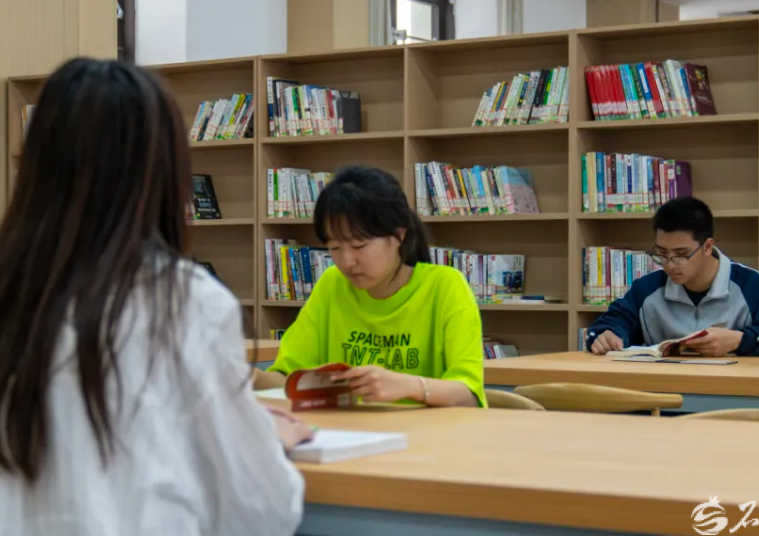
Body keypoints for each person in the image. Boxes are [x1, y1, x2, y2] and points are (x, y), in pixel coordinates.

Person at [0, 58, 309, 536]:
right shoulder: (185, 302)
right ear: (164, 172)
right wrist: (264, 440)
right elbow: (258, 509)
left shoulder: (14, 291)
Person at [255, 165, 487, 408]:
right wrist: (247, 375)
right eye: (334, 248)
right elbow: (286, 379)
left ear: (398, 235)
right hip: (345, 429)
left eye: (359, 246)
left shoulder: (445, 286)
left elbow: (469, 396)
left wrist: (408, 386)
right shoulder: (332, 285)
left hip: (427, 430)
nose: (347, 261)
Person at [587, 197, 759, 357]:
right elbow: (605, 326)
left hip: (734, 391)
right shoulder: (647, 288)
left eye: (681, 254)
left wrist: (740, 341)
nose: (670, 264)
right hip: (664, 391)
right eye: (662, 253)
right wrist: (608, 336)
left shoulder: (752, 286)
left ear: (707, 247)